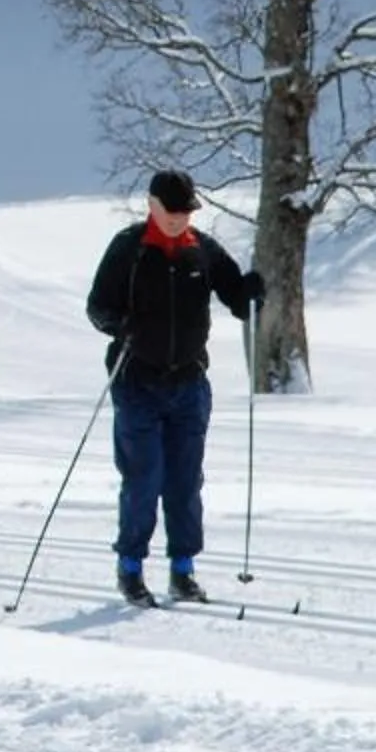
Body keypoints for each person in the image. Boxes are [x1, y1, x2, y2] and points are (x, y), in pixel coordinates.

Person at [85, 169, 263, 607]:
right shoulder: (129, 248)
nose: (180, 219)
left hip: (188, 383)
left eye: (187, 212)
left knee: (185, 482)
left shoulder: (202, 251)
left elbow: (237, 300)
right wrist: (120, 325)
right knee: (144, 478)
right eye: (172, 211)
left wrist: (252, 293)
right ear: (153, 205)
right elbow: (97, 307)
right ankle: (130, 568)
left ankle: (183, 570)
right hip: (137, 380)